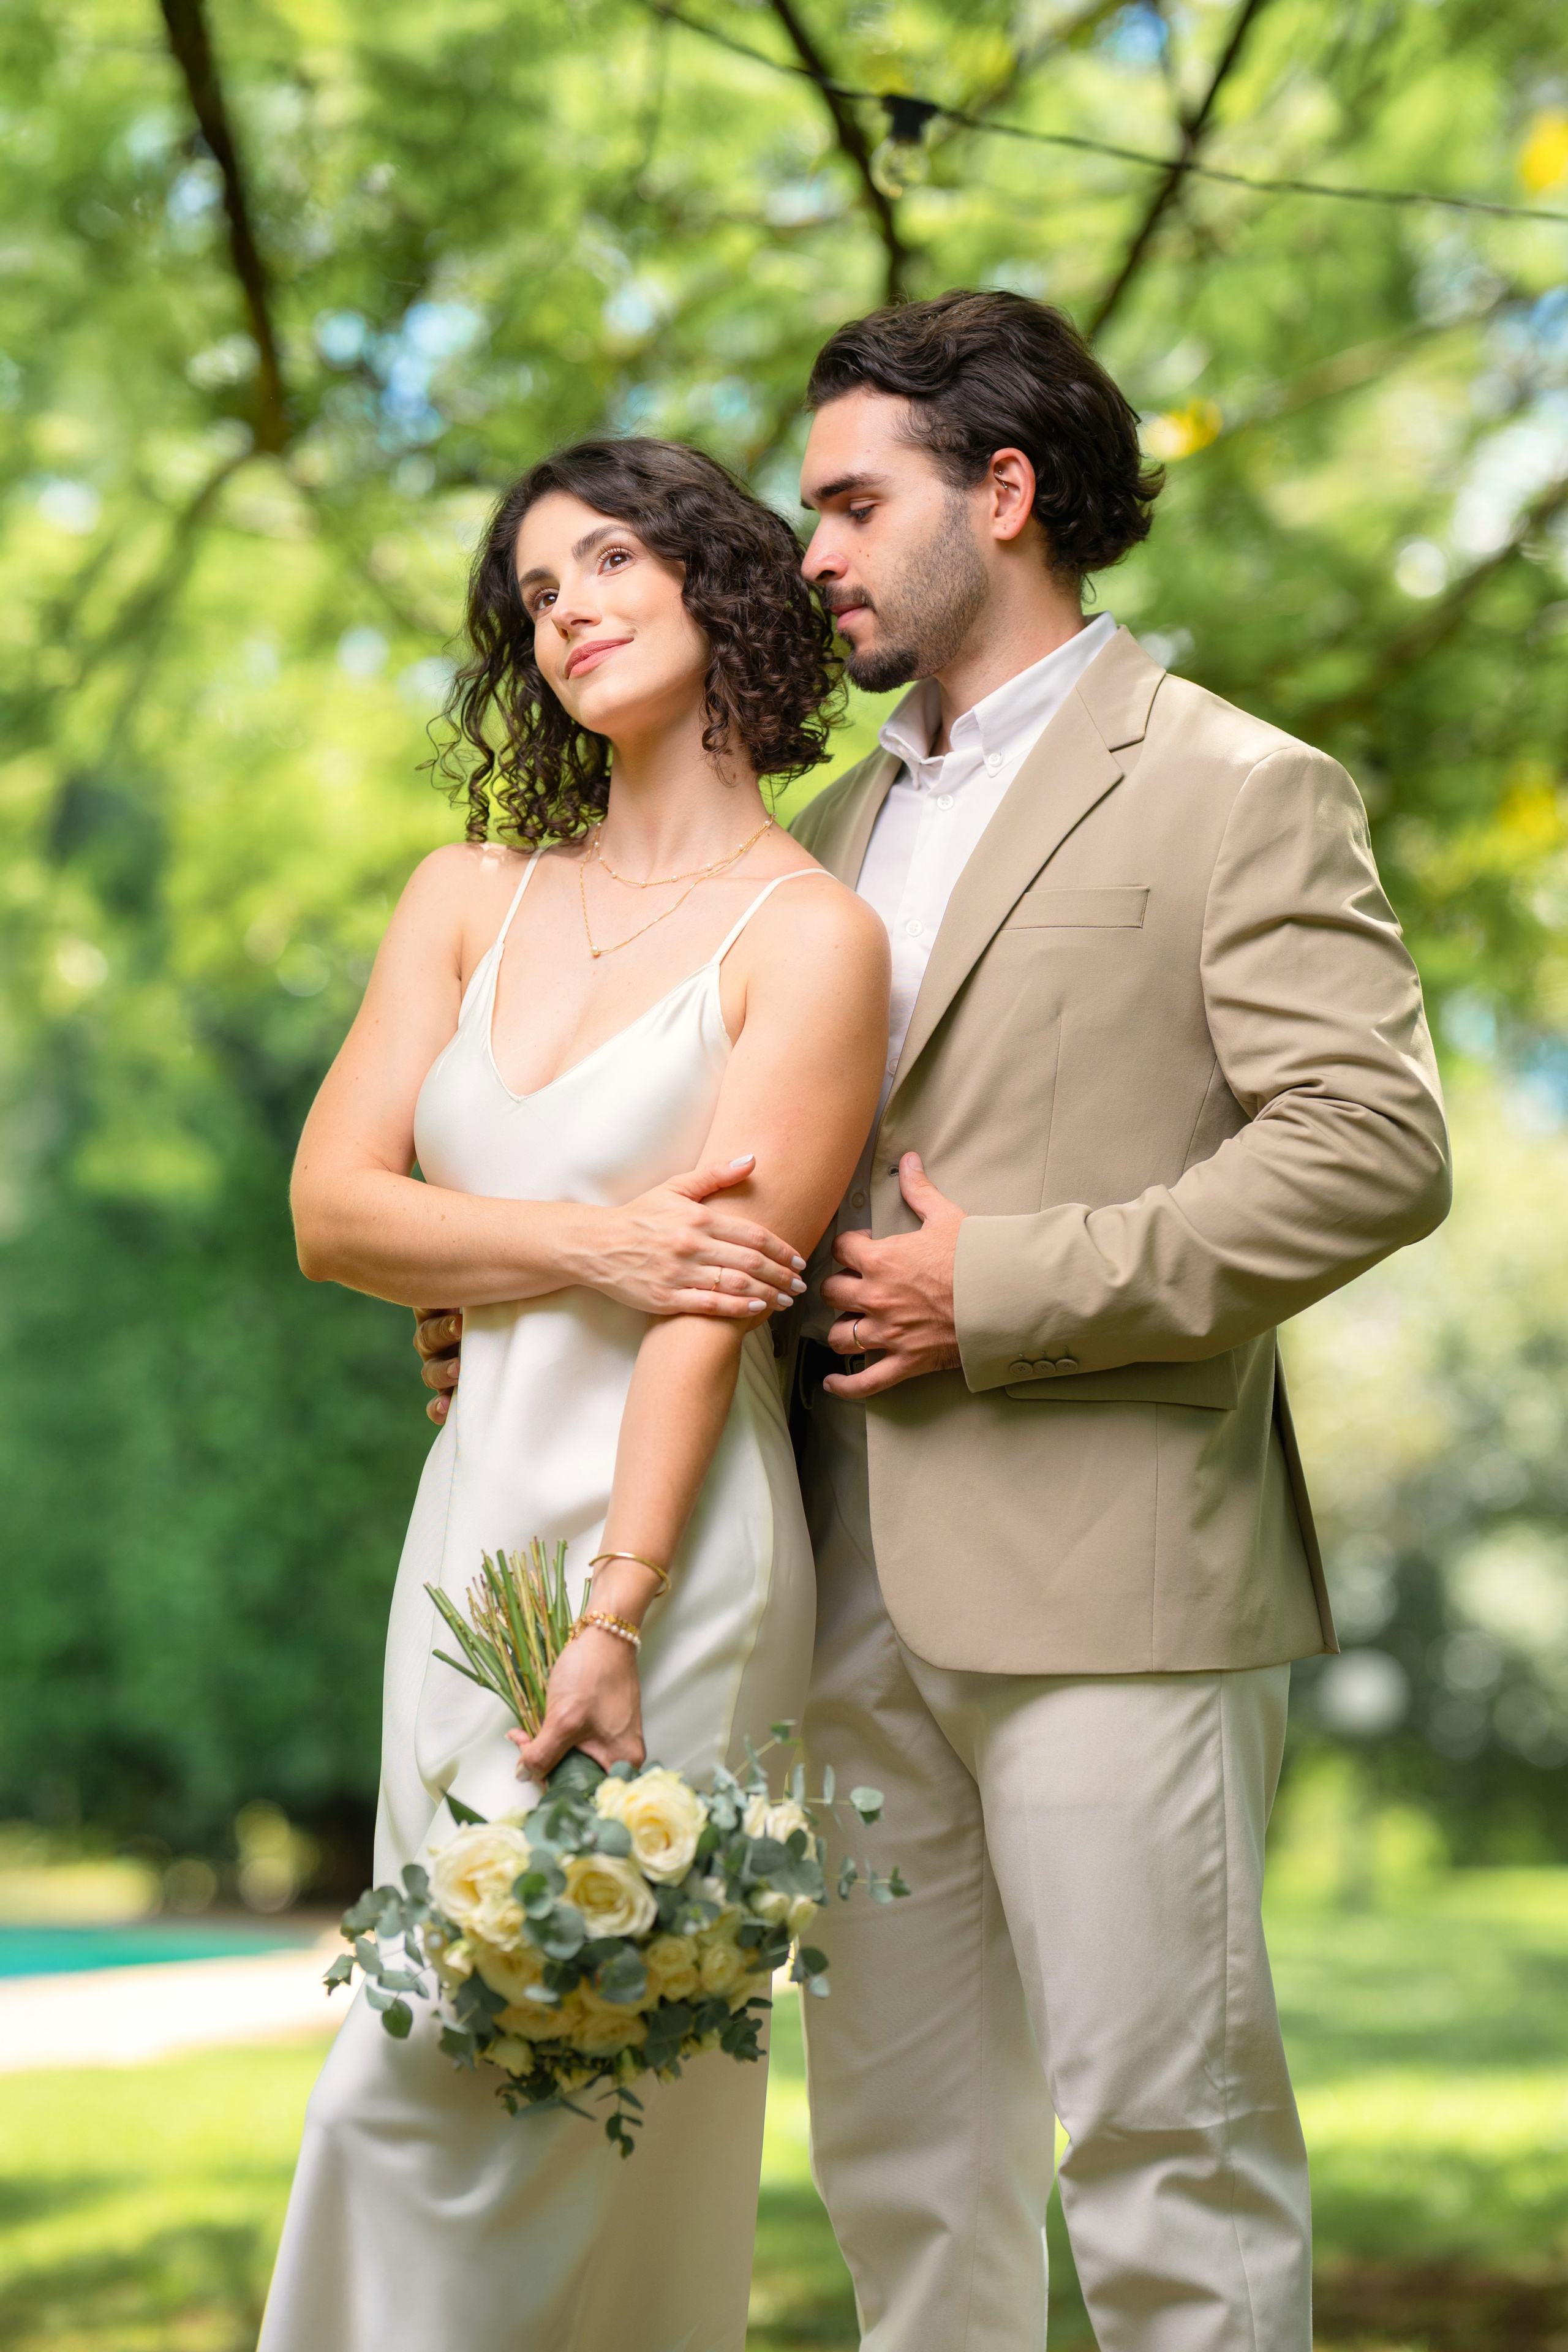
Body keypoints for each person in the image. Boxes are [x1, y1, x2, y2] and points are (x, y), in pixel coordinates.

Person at [259, 436, 889, 2352]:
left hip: (669, 1556)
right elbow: (333, 1213)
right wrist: (594, 1244)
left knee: (561, 2085)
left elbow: (713, 1311)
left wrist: (614, 1610)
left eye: (613, 559)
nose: (572, 611)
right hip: (463, 1546)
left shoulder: (813, 940)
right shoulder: (469, 897)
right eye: (536, 593)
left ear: (721, 584)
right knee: (429, 2040)